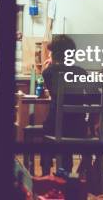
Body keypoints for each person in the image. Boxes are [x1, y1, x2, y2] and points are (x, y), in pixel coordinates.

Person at [41, 35, 89, 176]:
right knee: (67, 123)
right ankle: (66, 171)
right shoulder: (81, 72)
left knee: (50, 126)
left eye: (50, 52)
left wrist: (50, 66)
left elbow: (52, 91)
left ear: (54, 54)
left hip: (56, 126)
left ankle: (46, 172)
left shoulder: (48, 72)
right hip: (78, 127)